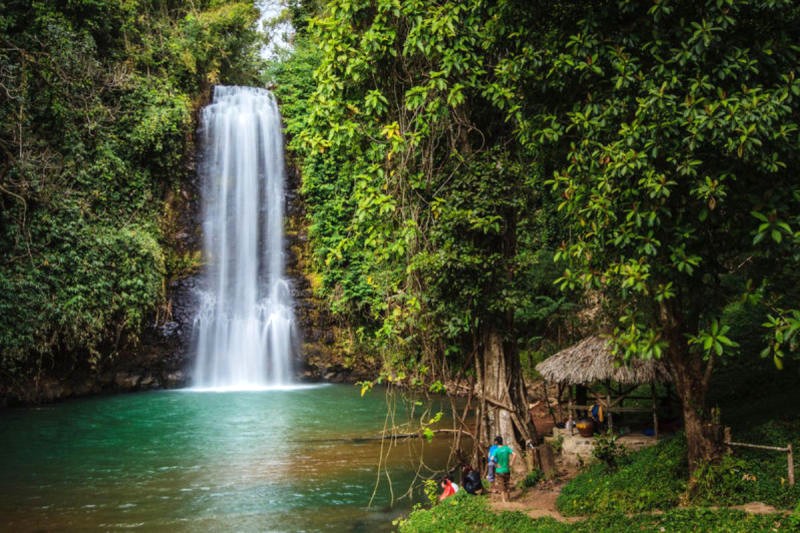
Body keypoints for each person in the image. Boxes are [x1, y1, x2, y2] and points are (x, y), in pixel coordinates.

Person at [492, 436, 515, 502]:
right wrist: (511, 463)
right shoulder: (507, 448)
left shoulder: (496, 450)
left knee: (501, 485)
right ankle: (509, 498)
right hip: (506, 469)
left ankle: (503, 500)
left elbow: (492, 459)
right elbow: (514, 454)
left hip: (499, 470)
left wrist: (496, 464)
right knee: (507, 483)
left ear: (496, 442)